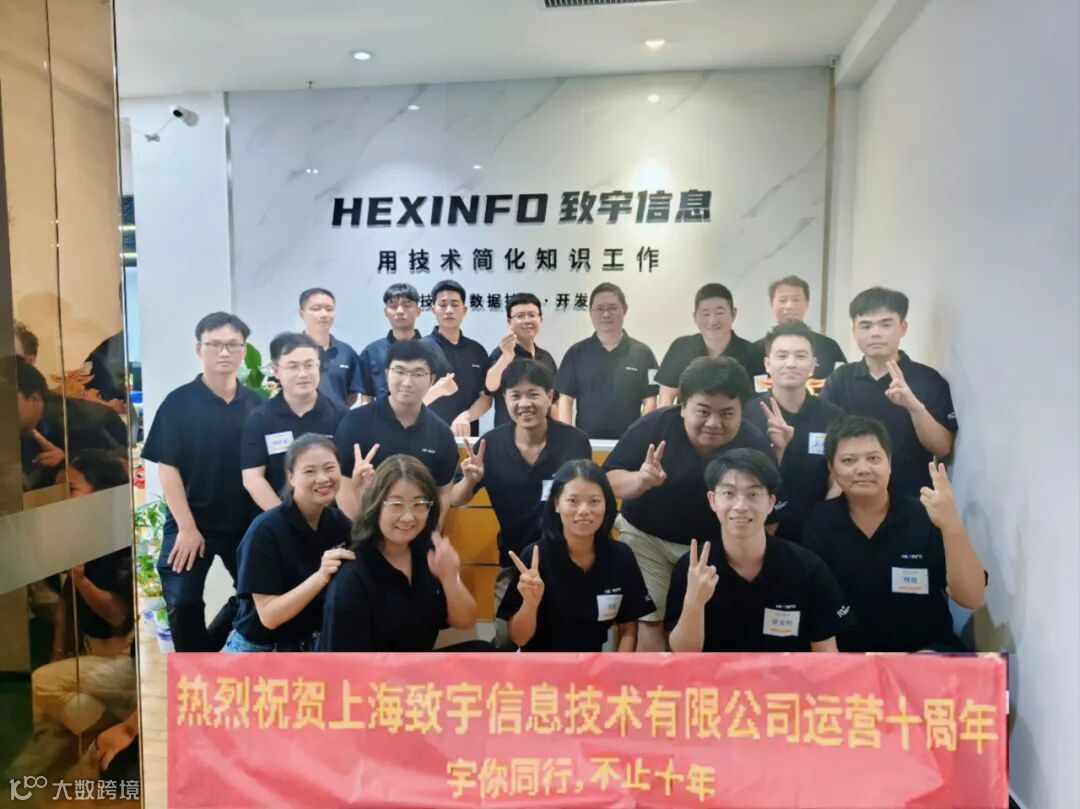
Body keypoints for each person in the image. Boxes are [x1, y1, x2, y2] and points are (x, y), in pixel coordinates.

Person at [603, 356, 771, 651]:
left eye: (727, 413)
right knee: (650, 621)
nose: (714, 423)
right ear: (682, 407)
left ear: (741, 411)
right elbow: (607, 481)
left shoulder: (753, 443)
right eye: (703, 411)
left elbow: (767, 506)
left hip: (714, 548)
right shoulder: (652, 427)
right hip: (647, 540)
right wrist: (641, 480)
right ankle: (656, 681)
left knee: (707, 622)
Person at [803, 415, 986, 652]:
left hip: (925, 653)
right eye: (849, 460)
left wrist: (952, 525)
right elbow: (816, 609)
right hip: (851, 659)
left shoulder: (923, 516)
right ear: (831, 467)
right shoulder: (820, 522)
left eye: (873, 458)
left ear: (889, 462)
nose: (863, 469)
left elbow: (971, 598)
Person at [142, 312, 263, 652]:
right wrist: (186, 527)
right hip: (191, 519)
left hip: (245, 522)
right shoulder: (179, 403)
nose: (224, 352)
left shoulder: (258, 405)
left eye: (233, 345)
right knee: (182, 601)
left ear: (244, 351)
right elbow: (168, 468)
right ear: (199, 350)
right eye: (215, 345)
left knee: (257, 597)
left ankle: (211, 652)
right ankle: (197, 668)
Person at [450, 359, 592, 647]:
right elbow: (455, 498)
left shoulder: (574, 442)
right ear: (505, 399)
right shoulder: (490, 444)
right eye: (515, 395)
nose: (524, 404)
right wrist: (471, 480)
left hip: (567, 560)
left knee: (567, 642)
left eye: (533, 394)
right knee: (506, 641)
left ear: (550, 396)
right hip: (513, 561)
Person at [665, 449, 852, 652]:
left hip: (784, 674)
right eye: (728, 493)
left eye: (753, 494)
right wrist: (694, 602)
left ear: (771, 503)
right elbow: (683, 654)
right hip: (715, 674)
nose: (740, 506)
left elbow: (826, 654)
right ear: (712, 500)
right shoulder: (692, 568)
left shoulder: (807, 568)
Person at [28, 452, 135, 765]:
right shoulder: (81, 533)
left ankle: (101, 732)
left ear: (103, 492)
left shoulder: (122, 537)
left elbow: (118, 615)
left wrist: (81, 580)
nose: (64, 499)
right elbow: (66, 598)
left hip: (120, 655)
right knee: (62, 703)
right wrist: (59, 651)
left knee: (45, 683)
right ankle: (94, 738)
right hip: (91, 651)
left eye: (72, 489)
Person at [320, 455, 478, 651]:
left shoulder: (428, 553)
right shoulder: (353, 574)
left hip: (416, 666)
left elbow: (465, 621)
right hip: (372, 670)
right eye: (396, 505)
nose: (408, 517)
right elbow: (342, 663)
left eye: (419, 504)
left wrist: (450, 578)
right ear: (376, 505)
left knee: (484, 651)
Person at [498, 460, 654, 651]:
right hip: (540, 663)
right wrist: (530, 603)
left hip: (592, 662)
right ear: (556, 503)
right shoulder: (535, 557)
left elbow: (628, 627)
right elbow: (519, 638)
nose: (584, 510)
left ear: (606, 504)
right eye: (573, 501)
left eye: (594, 501)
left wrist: (618, 665)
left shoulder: (621, 557)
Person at [821, 287, 957, 497]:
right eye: (866, 325)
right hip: (851, 499)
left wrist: (914, 407)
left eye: (885, 324)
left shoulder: (928, 379)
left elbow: (943, 448)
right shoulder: (840, 379)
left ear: (903, 328)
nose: (875, 333)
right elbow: (827, 444)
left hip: (912, 500)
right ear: (854, 331)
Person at [226, 435, 355, 651]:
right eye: (310, 471)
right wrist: (321, 576)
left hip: (312, 642)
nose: (323, 478)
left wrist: (360, 490)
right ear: (291, 477)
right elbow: (269, 616)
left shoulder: (338, 522)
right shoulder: (265, 530)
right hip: (262, 648)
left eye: (329, 468)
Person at [333, 340, 458, 522]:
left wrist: (434, 532)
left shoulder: (441, 433)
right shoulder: (355, 422)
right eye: (399, 371)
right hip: (364, 530)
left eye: (418, 374)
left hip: (417, 530)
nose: (407, 382)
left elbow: (443, 492)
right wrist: (360, 531)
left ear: (431, 380)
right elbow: (342, 484)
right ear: (386, 374)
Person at [743, 322, 846, 543]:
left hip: (819, 533)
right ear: (767, 364)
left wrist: (826, 516)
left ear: (813, 364)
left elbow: (839, 473)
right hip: (761, 533)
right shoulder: (746, 414)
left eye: (800, 356)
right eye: (782, 356)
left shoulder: (833, 415)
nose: (791, 363)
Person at [241, 332, 347, 511]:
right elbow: (253, 478)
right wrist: (285, 519)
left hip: (329, 517)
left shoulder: (341, 415)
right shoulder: (259, 418)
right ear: (276, 370)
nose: (303, 374)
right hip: (276, 517)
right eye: (293, 366)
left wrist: (323, 517)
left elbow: (345, 475)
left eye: (309, 365)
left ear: (318, 366)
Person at [554, 282, 659, 439]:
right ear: (590, 312)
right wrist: (568, 438)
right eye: (599, 308)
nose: (606, 314)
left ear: (625, 310)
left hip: (630, 442)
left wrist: (641, 437)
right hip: (586, 443)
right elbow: (565, 399)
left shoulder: (643, 353)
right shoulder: (576, 353)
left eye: (612, 308)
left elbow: (650, 400)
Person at [17, 356, 128, 491]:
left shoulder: (92, 420)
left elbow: (127, 463)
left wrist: (69, 463)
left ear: (35, 399)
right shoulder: (16, 429)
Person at [656, 283, 764, 405]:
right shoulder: (681, 348)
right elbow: (666, 396)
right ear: (695, 317)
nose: (712, 321)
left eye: (719, 313)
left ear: (733, 314)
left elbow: (762, 396)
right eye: (705, 314)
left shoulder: (755, 354)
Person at [357, 282, 450, 404]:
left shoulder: (434, 350)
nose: (400, 311)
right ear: (385, 312)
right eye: (393, 306)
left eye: (407, 305)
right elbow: (366, 398)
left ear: (418, 311)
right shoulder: (372, 352)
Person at [425, 279, 493, 437]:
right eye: (443, 305)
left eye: (455, 305)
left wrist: (466, 416)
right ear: (433, 310)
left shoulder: (477, 350)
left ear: (465, 310)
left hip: (467, 437)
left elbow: (486, 398)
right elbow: (408, 401)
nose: (449, 310)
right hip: (427, 435)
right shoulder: (419, 349)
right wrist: (436, 391)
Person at [753, 275, 847, 384]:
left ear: (807, 303)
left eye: (796, 300)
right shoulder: (755, 351)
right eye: (783, 300)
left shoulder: (829, 347)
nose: (789, 306)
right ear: (771, 304)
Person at [485, 293, 558, 427]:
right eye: (520, 316)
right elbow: (490, 386)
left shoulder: (546, 357)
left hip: (543, 433)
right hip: (509, 433)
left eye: (532, 315)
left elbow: (554, 400)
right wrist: (506, 357)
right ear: (509, 322)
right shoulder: (501, 353)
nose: (527, 320)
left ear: (540, 320)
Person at [298, 287, 364, 408]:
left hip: (339, 419)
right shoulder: (289, 351)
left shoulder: (346, 352)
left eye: (329, 309)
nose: (324, 314)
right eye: (316, 309)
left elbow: (352, 395)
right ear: (301, 313)